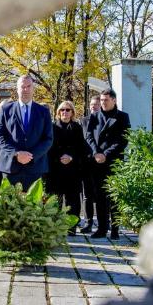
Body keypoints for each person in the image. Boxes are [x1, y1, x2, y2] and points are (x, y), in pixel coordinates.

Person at [84, 89, 130, 239]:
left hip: (113, 161)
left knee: (114, 196)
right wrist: (96, 153)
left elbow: (123, 140)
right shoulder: (94, 116)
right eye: (102, 100)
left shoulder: (122, 117)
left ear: (114, 100)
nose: (102, 102)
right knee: (100, 196)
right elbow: (89, 136)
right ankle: (102, 228)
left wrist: (106, 154)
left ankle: (115, 229)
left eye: (106, 100)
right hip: (96, 162)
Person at [0, 75, 53, 190]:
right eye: (22, 87)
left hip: (35, 167)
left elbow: (48, 139)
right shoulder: (6, 110)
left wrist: (31, 156)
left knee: (34, 206)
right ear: (17, 89)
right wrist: (16, 153)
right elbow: (0, 137)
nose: (25, 89)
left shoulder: (43, 112)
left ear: (33, 89)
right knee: (9, 206)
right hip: (10, 167)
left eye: (28, 86)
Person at [45, 101, 89, 235]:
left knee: (73, 201)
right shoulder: (52, 127)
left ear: (72, 112)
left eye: (68, 110)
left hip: (72, 170)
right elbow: (48, 147)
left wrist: (71, 157)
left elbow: (81, 148)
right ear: (58, 112)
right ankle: (54, 227)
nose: (65, 112)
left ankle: (71, 227)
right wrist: (59, 157)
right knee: (54, 200)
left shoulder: (77, 127)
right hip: (55, 169)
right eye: (62, 110)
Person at [79, 95, 101, 233]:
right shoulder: (83, 121)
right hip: (86, 163)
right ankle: (88, 222)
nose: (93, 106)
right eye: (92, 104)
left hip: (101, 163)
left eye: (96, 104)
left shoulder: (105, 120)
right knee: (87, 195)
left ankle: (103, 221)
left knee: (101, 194)